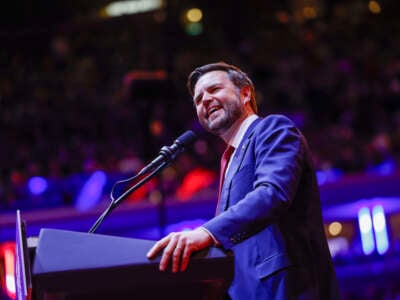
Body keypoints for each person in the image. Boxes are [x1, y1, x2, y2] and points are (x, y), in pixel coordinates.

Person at [147, 62, 341, 300]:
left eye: (215, 89)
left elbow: (272, 194)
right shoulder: (229, 160)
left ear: (245, 92)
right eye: (198, 99)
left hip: (288, 289)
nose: (205, 100)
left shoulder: (273, 129)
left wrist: (206, 232)